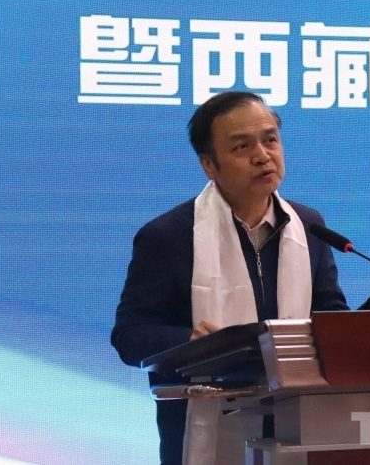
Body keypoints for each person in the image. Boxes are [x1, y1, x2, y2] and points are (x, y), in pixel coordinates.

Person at [111, 91, 349, 465]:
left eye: (271, 140)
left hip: (301, 424)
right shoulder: (168, 236)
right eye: (242, 146)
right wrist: (190, 343)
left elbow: (331, 317)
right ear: (209, 164)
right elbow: (130, 336)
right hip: (199, 427)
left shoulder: (309, 227)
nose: (263, 156)